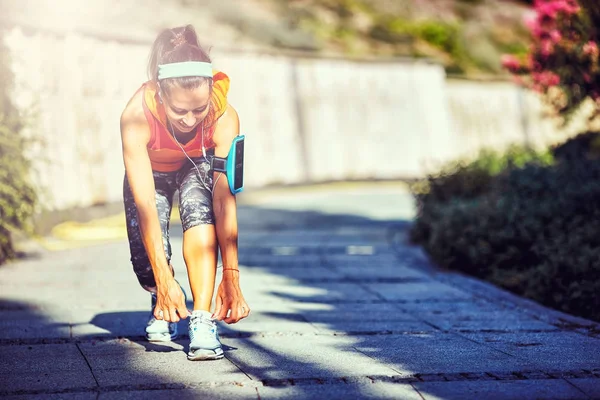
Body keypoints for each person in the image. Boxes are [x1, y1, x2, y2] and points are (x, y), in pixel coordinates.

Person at [119, 24, 250, 361]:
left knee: (200, 213)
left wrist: (232, 277)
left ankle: (202, 319)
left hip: (197, 164)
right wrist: (162, 279)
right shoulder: (136, 116)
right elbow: (146, 203)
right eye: (180, 111)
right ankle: (162, 295)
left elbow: (224, 201)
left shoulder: (224, 116)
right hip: (154, 169)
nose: (191, 120)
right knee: (146, 262)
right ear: (161, 96)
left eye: (198, 109)